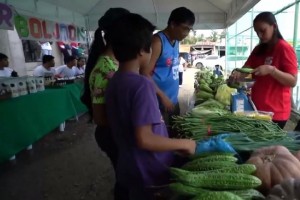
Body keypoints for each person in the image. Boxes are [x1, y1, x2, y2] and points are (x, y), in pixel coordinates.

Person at [106, 13, 235, 200]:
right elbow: (144, 138)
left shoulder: (114, 81)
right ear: (143, 51)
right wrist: (183, 143)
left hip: (129, 167)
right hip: (149, 171)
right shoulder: (141, 85)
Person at [81, 8, 130, 200]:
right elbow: (101, 118)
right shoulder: (105, 67)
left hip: (119, 132)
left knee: (126, 177)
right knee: (125, 180)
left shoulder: (117, 62)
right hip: (112, 134)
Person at [231, 12, 298, 129]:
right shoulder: (258, 50)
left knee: (266, 146)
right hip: (256, 108)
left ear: (274, 27)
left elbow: (292, 81)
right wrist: (238, 75)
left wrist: (272, 71)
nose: (260, 35)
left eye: (263, 30)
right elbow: (247, 71)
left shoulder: (284, 48)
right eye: (257, 32)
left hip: (275, 113)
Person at [140, 7, 195, 131]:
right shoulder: (157, 42)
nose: (186, 33)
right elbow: (144, 73)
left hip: (173, 100)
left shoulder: (176, 41)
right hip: (159, 103)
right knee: (162, 137)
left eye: (189, 30)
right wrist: (163, 97)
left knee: (175, 133)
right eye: (184, 28)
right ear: (173, 24)